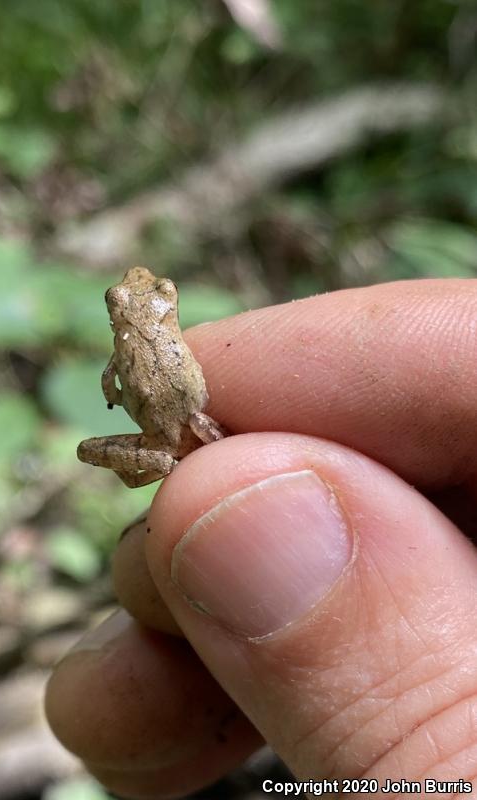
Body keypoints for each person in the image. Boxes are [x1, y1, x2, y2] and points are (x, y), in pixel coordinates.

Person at [45, 279, 477, 798]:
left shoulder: (117, 356)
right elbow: (192, 390)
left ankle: (207, 475)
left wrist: (118, 389)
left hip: (162, 437)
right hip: (199, 424)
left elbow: (114, 388)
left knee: (100, 451)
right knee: (226, 472)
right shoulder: (163, 334)